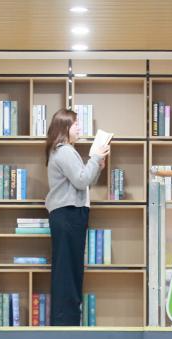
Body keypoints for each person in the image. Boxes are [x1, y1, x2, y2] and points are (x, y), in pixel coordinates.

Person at [44, 107, 110, 326]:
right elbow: (82, 181)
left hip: (69, 214)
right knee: (68, 273)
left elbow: (84, 180)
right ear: (64, 127)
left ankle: (66, 324)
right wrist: (95, 157)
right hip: (68, 214)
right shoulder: (64, 151)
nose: (79, 128)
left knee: (69, 272)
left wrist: (97, 164)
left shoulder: (64, 151)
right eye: (76, 124)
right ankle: (66, 325)